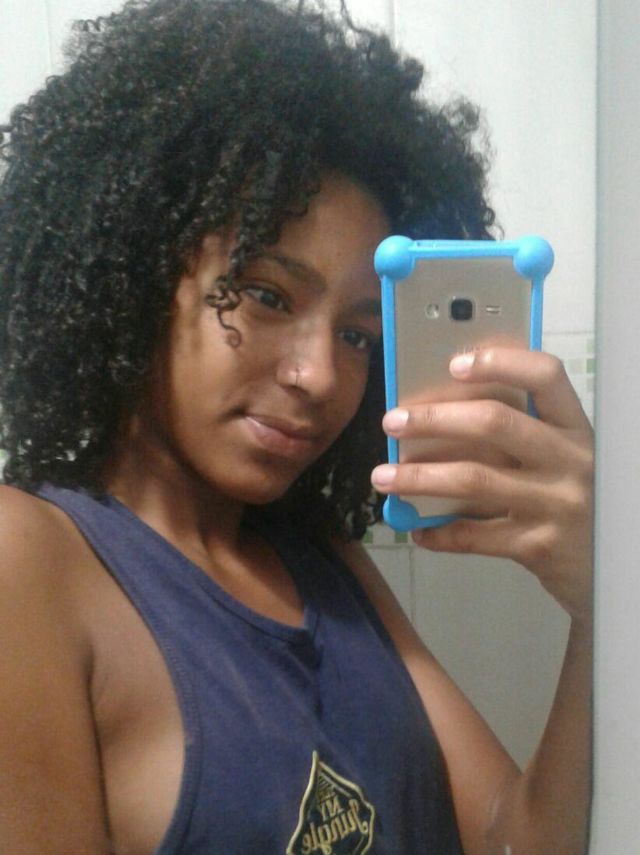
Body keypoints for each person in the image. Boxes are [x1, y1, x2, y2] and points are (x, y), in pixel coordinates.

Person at [0, 0, 593, 852]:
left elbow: (518, 839)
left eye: (357, 335)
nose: (320, 376)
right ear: (136, 274)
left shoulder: (322, 560)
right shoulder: (29, 560)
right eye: (268, 295)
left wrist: (605, 605)